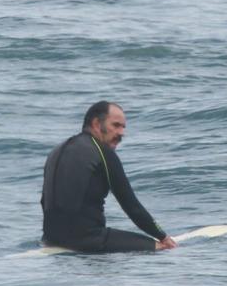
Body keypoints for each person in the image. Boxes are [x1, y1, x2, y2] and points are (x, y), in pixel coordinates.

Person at [40, 101, 178, 252]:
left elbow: (45, 201)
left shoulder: (56, 151)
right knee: (163, 248)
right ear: (97, 124)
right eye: (116, 125)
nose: (121, 133)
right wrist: (163, 237)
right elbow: (131, 206)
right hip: (89, 240)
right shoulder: (102, 151)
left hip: (49, 239)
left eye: (123, 127)